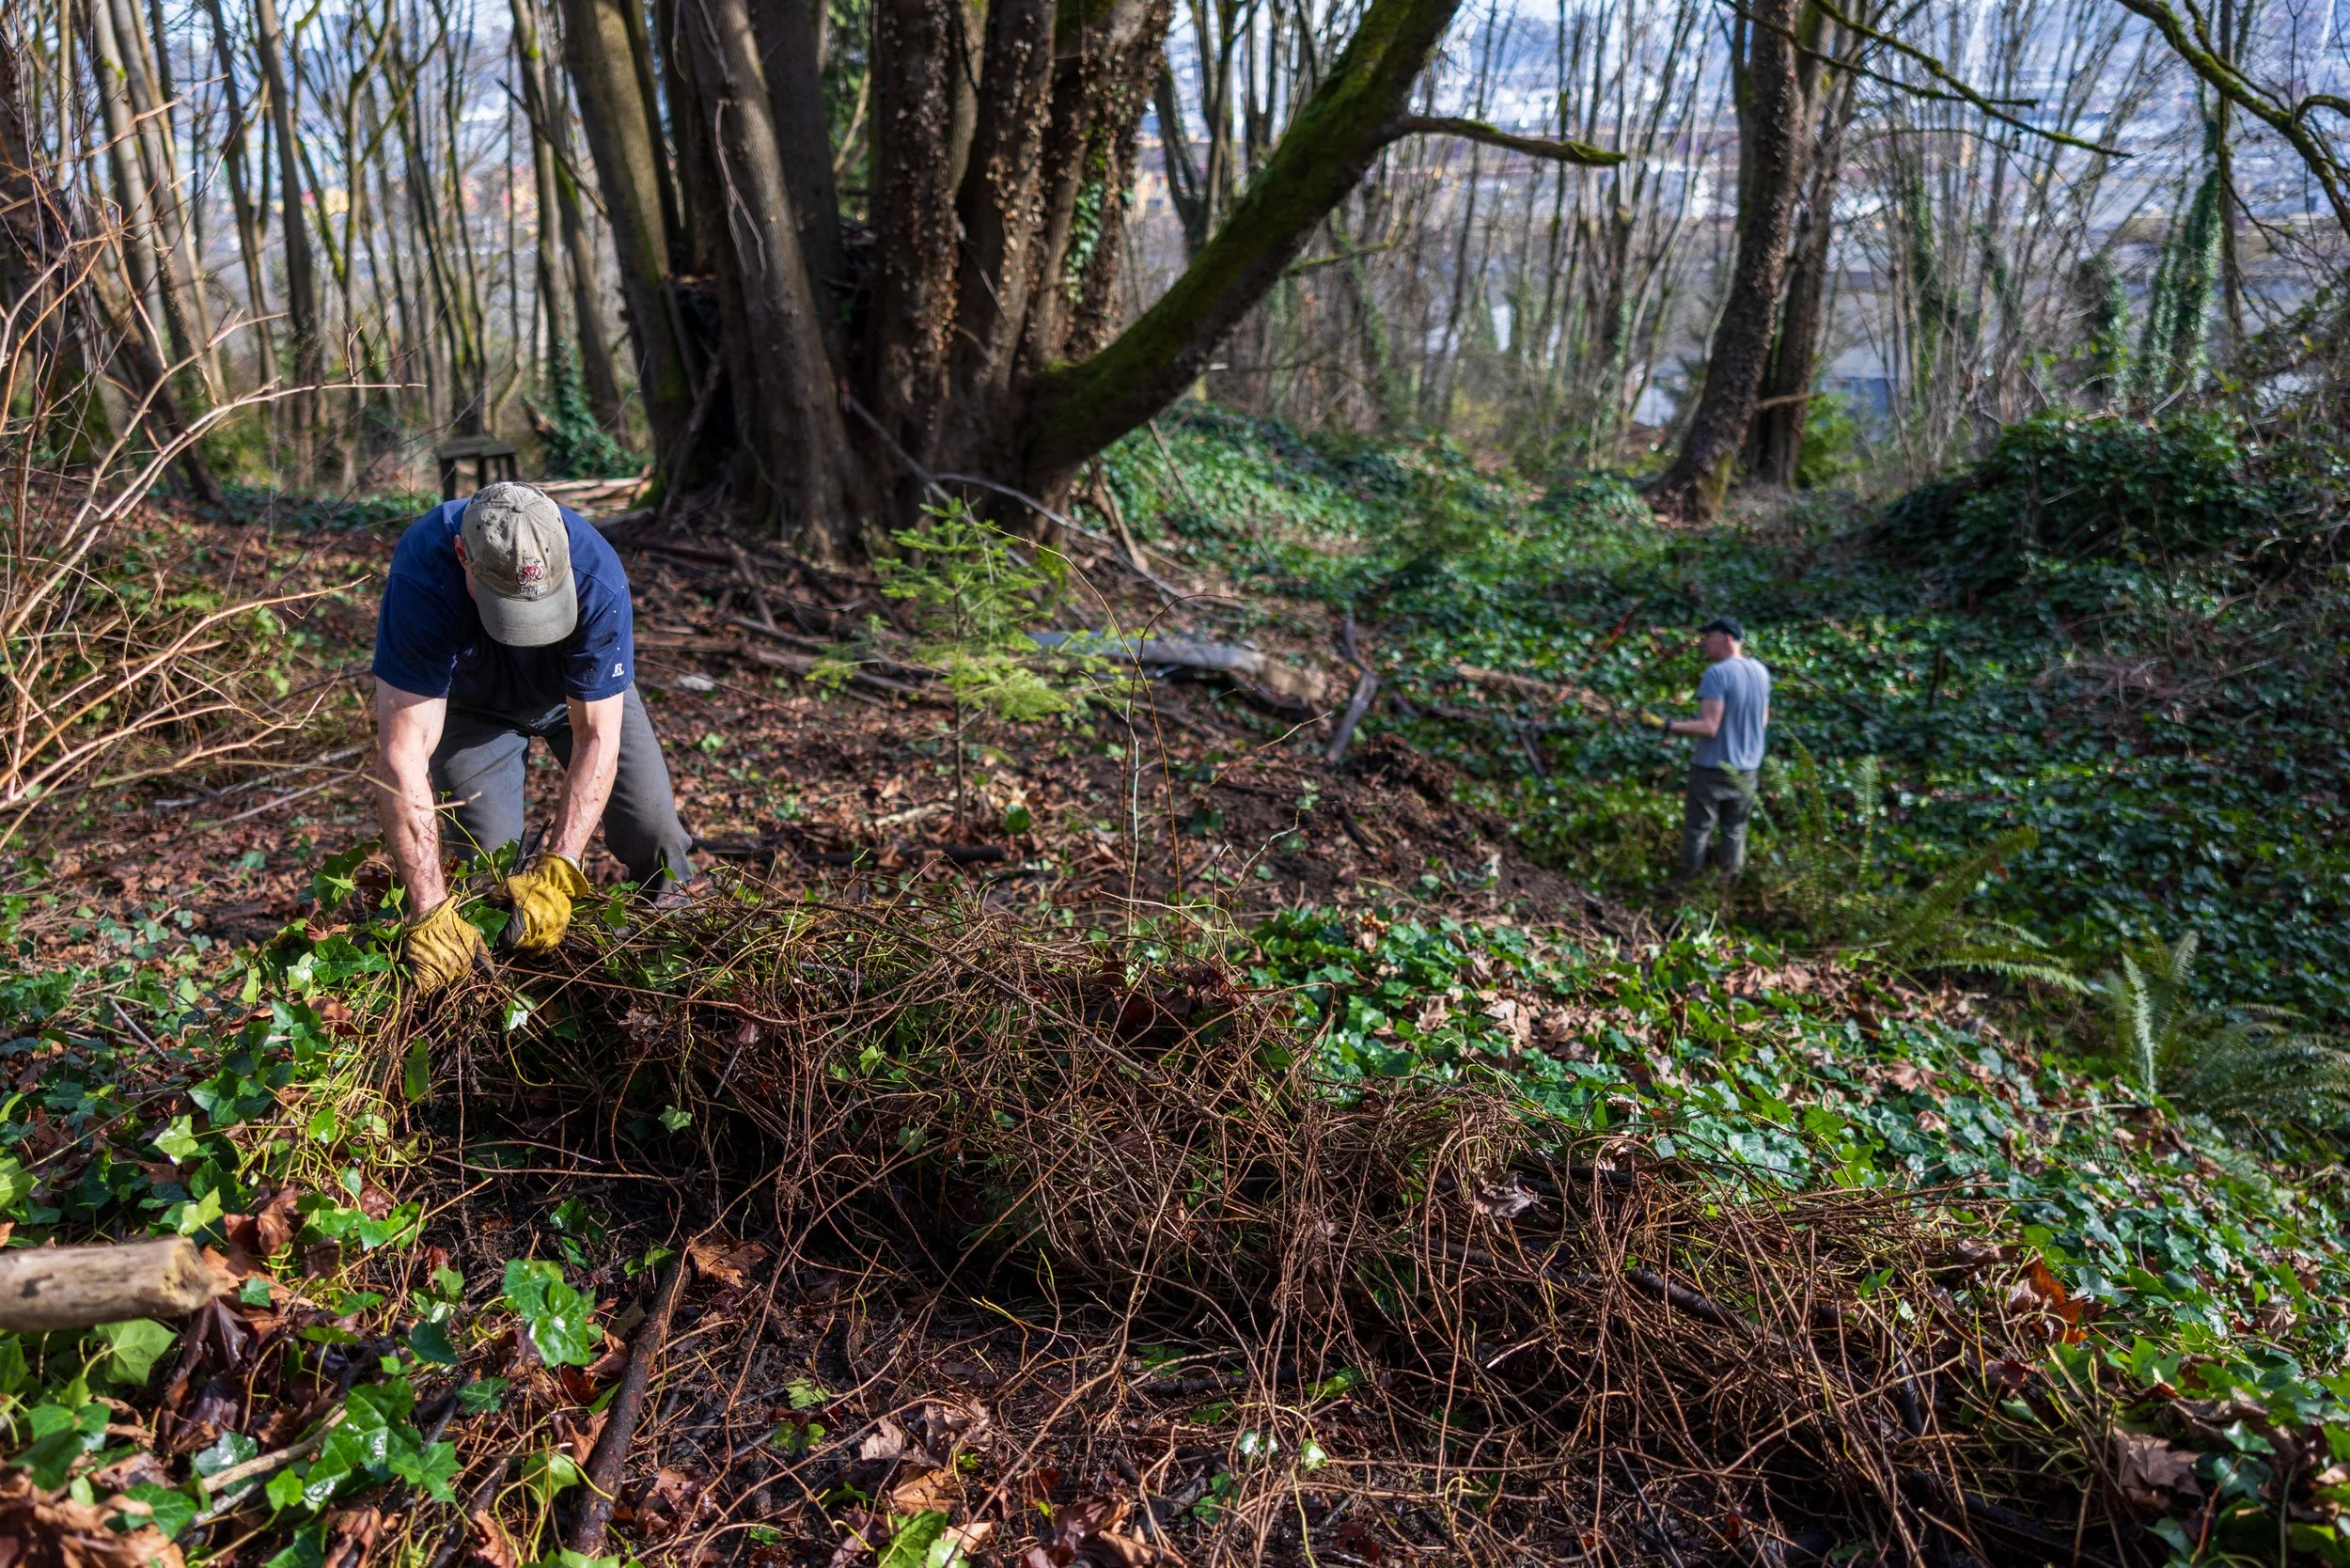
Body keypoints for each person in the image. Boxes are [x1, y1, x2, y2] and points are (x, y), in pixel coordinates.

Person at [369, 481, 693, 992]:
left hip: (580, 700)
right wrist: (427, 908)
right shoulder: (424, 574)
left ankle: (677, 961)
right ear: (463, 556)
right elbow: (402, 754)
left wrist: (559, 866)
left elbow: (598, 737)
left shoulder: (595, 573)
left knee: (654, 830)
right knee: (485, 869)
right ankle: (511, 994)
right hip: (470, 710)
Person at [1647, 617, 1770, 883]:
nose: (1703, 643)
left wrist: (1667, 725)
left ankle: (1687, 885)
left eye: (1708, 637)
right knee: (1735, 830)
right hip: (1748, 769)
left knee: (1698, 829)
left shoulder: (1717, 673)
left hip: (1713, 768)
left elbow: (1709, 726)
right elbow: (1763, 720)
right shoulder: (1760, 671)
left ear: (1727, 639)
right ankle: (1728, 887)